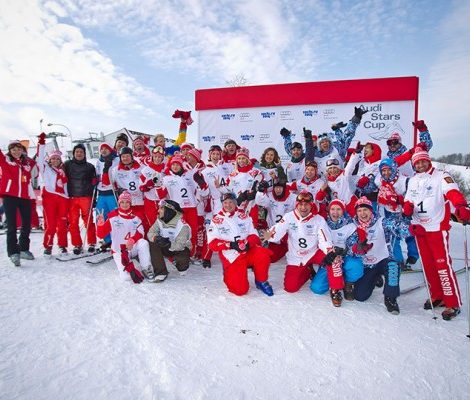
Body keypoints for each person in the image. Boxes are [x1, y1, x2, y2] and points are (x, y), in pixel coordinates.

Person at [404, 148, 470, 320]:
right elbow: (408, 199)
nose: (420, 164)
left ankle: (452, 302)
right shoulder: (413, 180)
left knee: (442, 265)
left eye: (423, 161)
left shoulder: (441, 175)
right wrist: (407, 208)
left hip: (436, 228)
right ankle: (437, 295)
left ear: (428, 161)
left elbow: (452, 192)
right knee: (428, 265)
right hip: (420, 228)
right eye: (417, 162)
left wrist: (461, 205)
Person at [263, 190, 343, 306]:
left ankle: (336, 289)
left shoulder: (318, 219)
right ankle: (307, 271)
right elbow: (277, 230)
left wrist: (329, 251)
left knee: (334, 259)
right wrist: (265, 235)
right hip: (296, 256)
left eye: (306, 204)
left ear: (311, 205)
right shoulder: (289, 217)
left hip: (313, 252)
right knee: (290, 288)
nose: (303, 207)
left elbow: (324, 238)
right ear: (297, 205)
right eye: (300, 204)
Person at [348, 197, 411, 314]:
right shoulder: (353, 226)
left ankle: (390, 298)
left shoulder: (381, 222)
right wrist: (357, 248)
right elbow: (350, 247)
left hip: (384, 260)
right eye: (359, 211)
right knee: (360, 296)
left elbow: (397, 226)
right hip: (367, 265)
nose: (363, 213)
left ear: (371, 210)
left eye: (365, 210)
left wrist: (410, 227)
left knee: (393, 266)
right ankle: (375, 278)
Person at [207, 192, 273, 296]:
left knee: (262, 253)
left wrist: (248, 244)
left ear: (235, 202)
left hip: (247, 250)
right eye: (225, 203)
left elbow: (254, 236)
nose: (228, 205)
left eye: (230, 202)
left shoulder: (243, 216)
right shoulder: (216, 220)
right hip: (232, 256)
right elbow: (212, 244)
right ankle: (228, 273)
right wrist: (231, 245)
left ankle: (261, 281)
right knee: (240, 290)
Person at [310, 199, 363, 301]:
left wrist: (345, 252)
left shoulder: (350, 225)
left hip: (345, 257)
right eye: (333, 209)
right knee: (317, 288)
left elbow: (352, 245)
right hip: (329, 259)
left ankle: (348, 283)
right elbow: (317, 243)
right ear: (329, 210)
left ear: (343, 211)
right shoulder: (322, 224)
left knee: (356, 266)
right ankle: (334, 278)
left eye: (339, 209)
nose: (335, 212)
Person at [96, 191, 152, 283]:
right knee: (126, 277)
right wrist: (101, 224)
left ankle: (146, 268)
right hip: (119, 250)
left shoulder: (136, 216)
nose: (124, 204)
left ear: (130, 203)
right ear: (119, 203)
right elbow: (100, 235)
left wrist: (133, 240)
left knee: (143, 243)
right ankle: (129, 265)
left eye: (127, 202)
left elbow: (141, 232)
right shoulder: (113, 216)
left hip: (132, 246)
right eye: (122, 202)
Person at [375, 158, 419, 271]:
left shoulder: (403, 181)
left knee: (408, 234)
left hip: (403, 212)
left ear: (394, 168)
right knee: (393, 236)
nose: (386, 173)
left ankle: (413, 255)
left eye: (388, 170)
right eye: (383, 171)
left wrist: (400, 200)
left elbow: (413, 196)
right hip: (388, 211)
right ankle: (398, 261)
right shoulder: (379, 180)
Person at [0, 140, 36, 266]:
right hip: (10, 196)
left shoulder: (27, 164)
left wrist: (40, 144)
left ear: (23, 151)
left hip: (25, 197)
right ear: (9, 151)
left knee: (26, 224)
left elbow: (37, 159)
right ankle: (13, 252)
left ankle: (24, 249)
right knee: (12, 225)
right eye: (13, 149)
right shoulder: (5, 161)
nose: (16, 152)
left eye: (19, 149)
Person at [37, 133, 69, 255]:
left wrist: (68, 197)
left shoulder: (63, 172)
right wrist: (41, 143)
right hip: (50, 196)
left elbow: (66, 187)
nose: (55, 160)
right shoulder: (45, 168)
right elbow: (40, 158)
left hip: (62, 199)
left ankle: (62, 245)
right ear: (49, 160)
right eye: (53, 158)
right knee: (50, 224)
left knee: (62, 223)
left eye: (57, 158)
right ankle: (48, 246)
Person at [313, 106, 368, 176]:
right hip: (322, 184)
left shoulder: (337, 149)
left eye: (326, 141)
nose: (325, 143)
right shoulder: (315, 154)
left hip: (339, 181)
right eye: (322, 142)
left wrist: (356, 118)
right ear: (319, 145)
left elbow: (347, 136)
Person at [64, 143, 97, 255]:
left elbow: (94, 183)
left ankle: (92, 242)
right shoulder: (67, 165)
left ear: (84, 153)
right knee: (73, 222)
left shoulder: (90, 167)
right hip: (72, 197)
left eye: (81, 152)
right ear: (73, 153)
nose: (79, 154)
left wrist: (94, 186)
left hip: (85, 197)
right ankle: (77, 244)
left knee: (88, 221)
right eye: (77, 152)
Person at [147, 200, 192, 281]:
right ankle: (161, 272)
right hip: (166, 247)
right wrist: (155, 238)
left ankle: (181, 264)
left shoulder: (183, 226)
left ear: (169, 211)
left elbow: (180, 245)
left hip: (180, 250)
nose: (158, 211)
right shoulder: (159, 221)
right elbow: (150, 233)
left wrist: (168, 244)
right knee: (153, 243)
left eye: (161, 208)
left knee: (182, 270)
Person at [255, 178, 296, 262]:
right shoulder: (270, 196)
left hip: (288, 233)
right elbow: (260, 203)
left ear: (284, 188)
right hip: (274, 232)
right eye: (276, 187)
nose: (278, 190)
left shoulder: (292, 197)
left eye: (280, 187)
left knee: (298, 253)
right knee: (272, 258)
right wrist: (260, 192)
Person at [95, 143, 119, 250]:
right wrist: (94, 179)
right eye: (102, 149)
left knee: (114, 217)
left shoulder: (116, 160)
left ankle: (117, 239)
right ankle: (107, 240)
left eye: (106, 149)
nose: (104, 151)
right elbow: (96, 174)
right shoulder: (99, 161)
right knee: (101, 217)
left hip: (111, 192)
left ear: (110, 150)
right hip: (101, 193)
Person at [139, 145, 166, 227]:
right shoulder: (145, 170)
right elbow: (141, 187)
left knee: (164, 224)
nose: (157, 159)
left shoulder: (166, 169)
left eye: (159, 157)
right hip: (150, 201)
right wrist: (148, 185)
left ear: (162, 158)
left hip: (163, 201)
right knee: (153, 224)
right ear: (152, 157)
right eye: (155, 157)